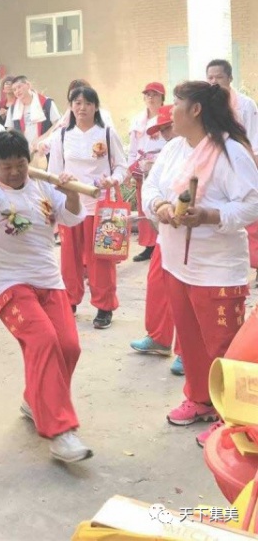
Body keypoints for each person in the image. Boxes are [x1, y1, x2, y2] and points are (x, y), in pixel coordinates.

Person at [0, 130, 92, 462]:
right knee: (43, 341)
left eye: (20, 165)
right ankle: (59, 431)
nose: (14, 173)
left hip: (48, 280)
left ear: (29, 161)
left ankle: (34, 400)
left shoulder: (42, 184)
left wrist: (69, 193)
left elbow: (72, 216)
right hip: (8, 284)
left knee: (69, 346)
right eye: (6, 167)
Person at [142, 81, 258, 429]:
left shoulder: (230, 152)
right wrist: (160, 205)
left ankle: (235, 421)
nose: (169, 111)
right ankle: (199, 400)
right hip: (178, 263)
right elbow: (151, 185)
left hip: (217, 269)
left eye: (176, 103)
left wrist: (210, 216)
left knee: (224, 347)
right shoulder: (175, 148)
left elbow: (253, 202)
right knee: (191, 343)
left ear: (195, 110)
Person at [48, 86, 128, 329]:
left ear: (96, 107)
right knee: (68, 258)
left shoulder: (106, 133)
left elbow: (122, 167)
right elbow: (52, 173)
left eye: (87, 103)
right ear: (70, 107)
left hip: (100, 206)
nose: (82, 108)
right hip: (71, 205)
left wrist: (112, 180)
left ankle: (104, 306)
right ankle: (69, 300)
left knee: (101, 259)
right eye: (77, 103)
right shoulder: (61, 136)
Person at [129, 105, 184, 376]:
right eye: (160, 130)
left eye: (167, 127)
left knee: (185, 293)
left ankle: (188, 351)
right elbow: (151, 184)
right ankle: (160, 337)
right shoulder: (170, 151)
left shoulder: (203, 149)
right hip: (166, 232)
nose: (164, 134)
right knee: (157, 283)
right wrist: (157, 203)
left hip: (191, 238)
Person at [206, 59, 258, 279]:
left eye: (219, 77)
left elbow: (254, 140)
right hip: (217, 168)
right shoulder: (207, 104)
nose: (214, 82)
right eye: (210, 77)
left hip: (243, 164)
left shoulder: (245, 105)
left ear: (230, 78)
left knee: (251, 219)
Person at [128, 82, 167, 262]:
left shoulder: (166, 118)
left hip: (161, 165)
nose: (151, 98)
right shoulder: (138, 120)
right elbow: (133, 148)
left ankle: (163, 242)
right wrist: (130, 169)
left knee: (161, 202)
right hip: (141, 165)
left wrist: (158, 162)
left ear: (162, 98)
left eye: (155, 94)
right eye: (148, 94)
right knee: (144, 203)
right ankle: (148, 245)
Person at [5, 75, 60, 148]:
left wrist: (42, 138)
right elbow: (9, 129)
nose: (17, 91)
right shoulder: (13, 108)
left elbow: (58, 124)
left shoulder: (46, 103)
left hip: (45, 148)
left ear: (28, 85)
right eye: (14, 90)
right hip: (23, 151)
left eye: (19, 87)